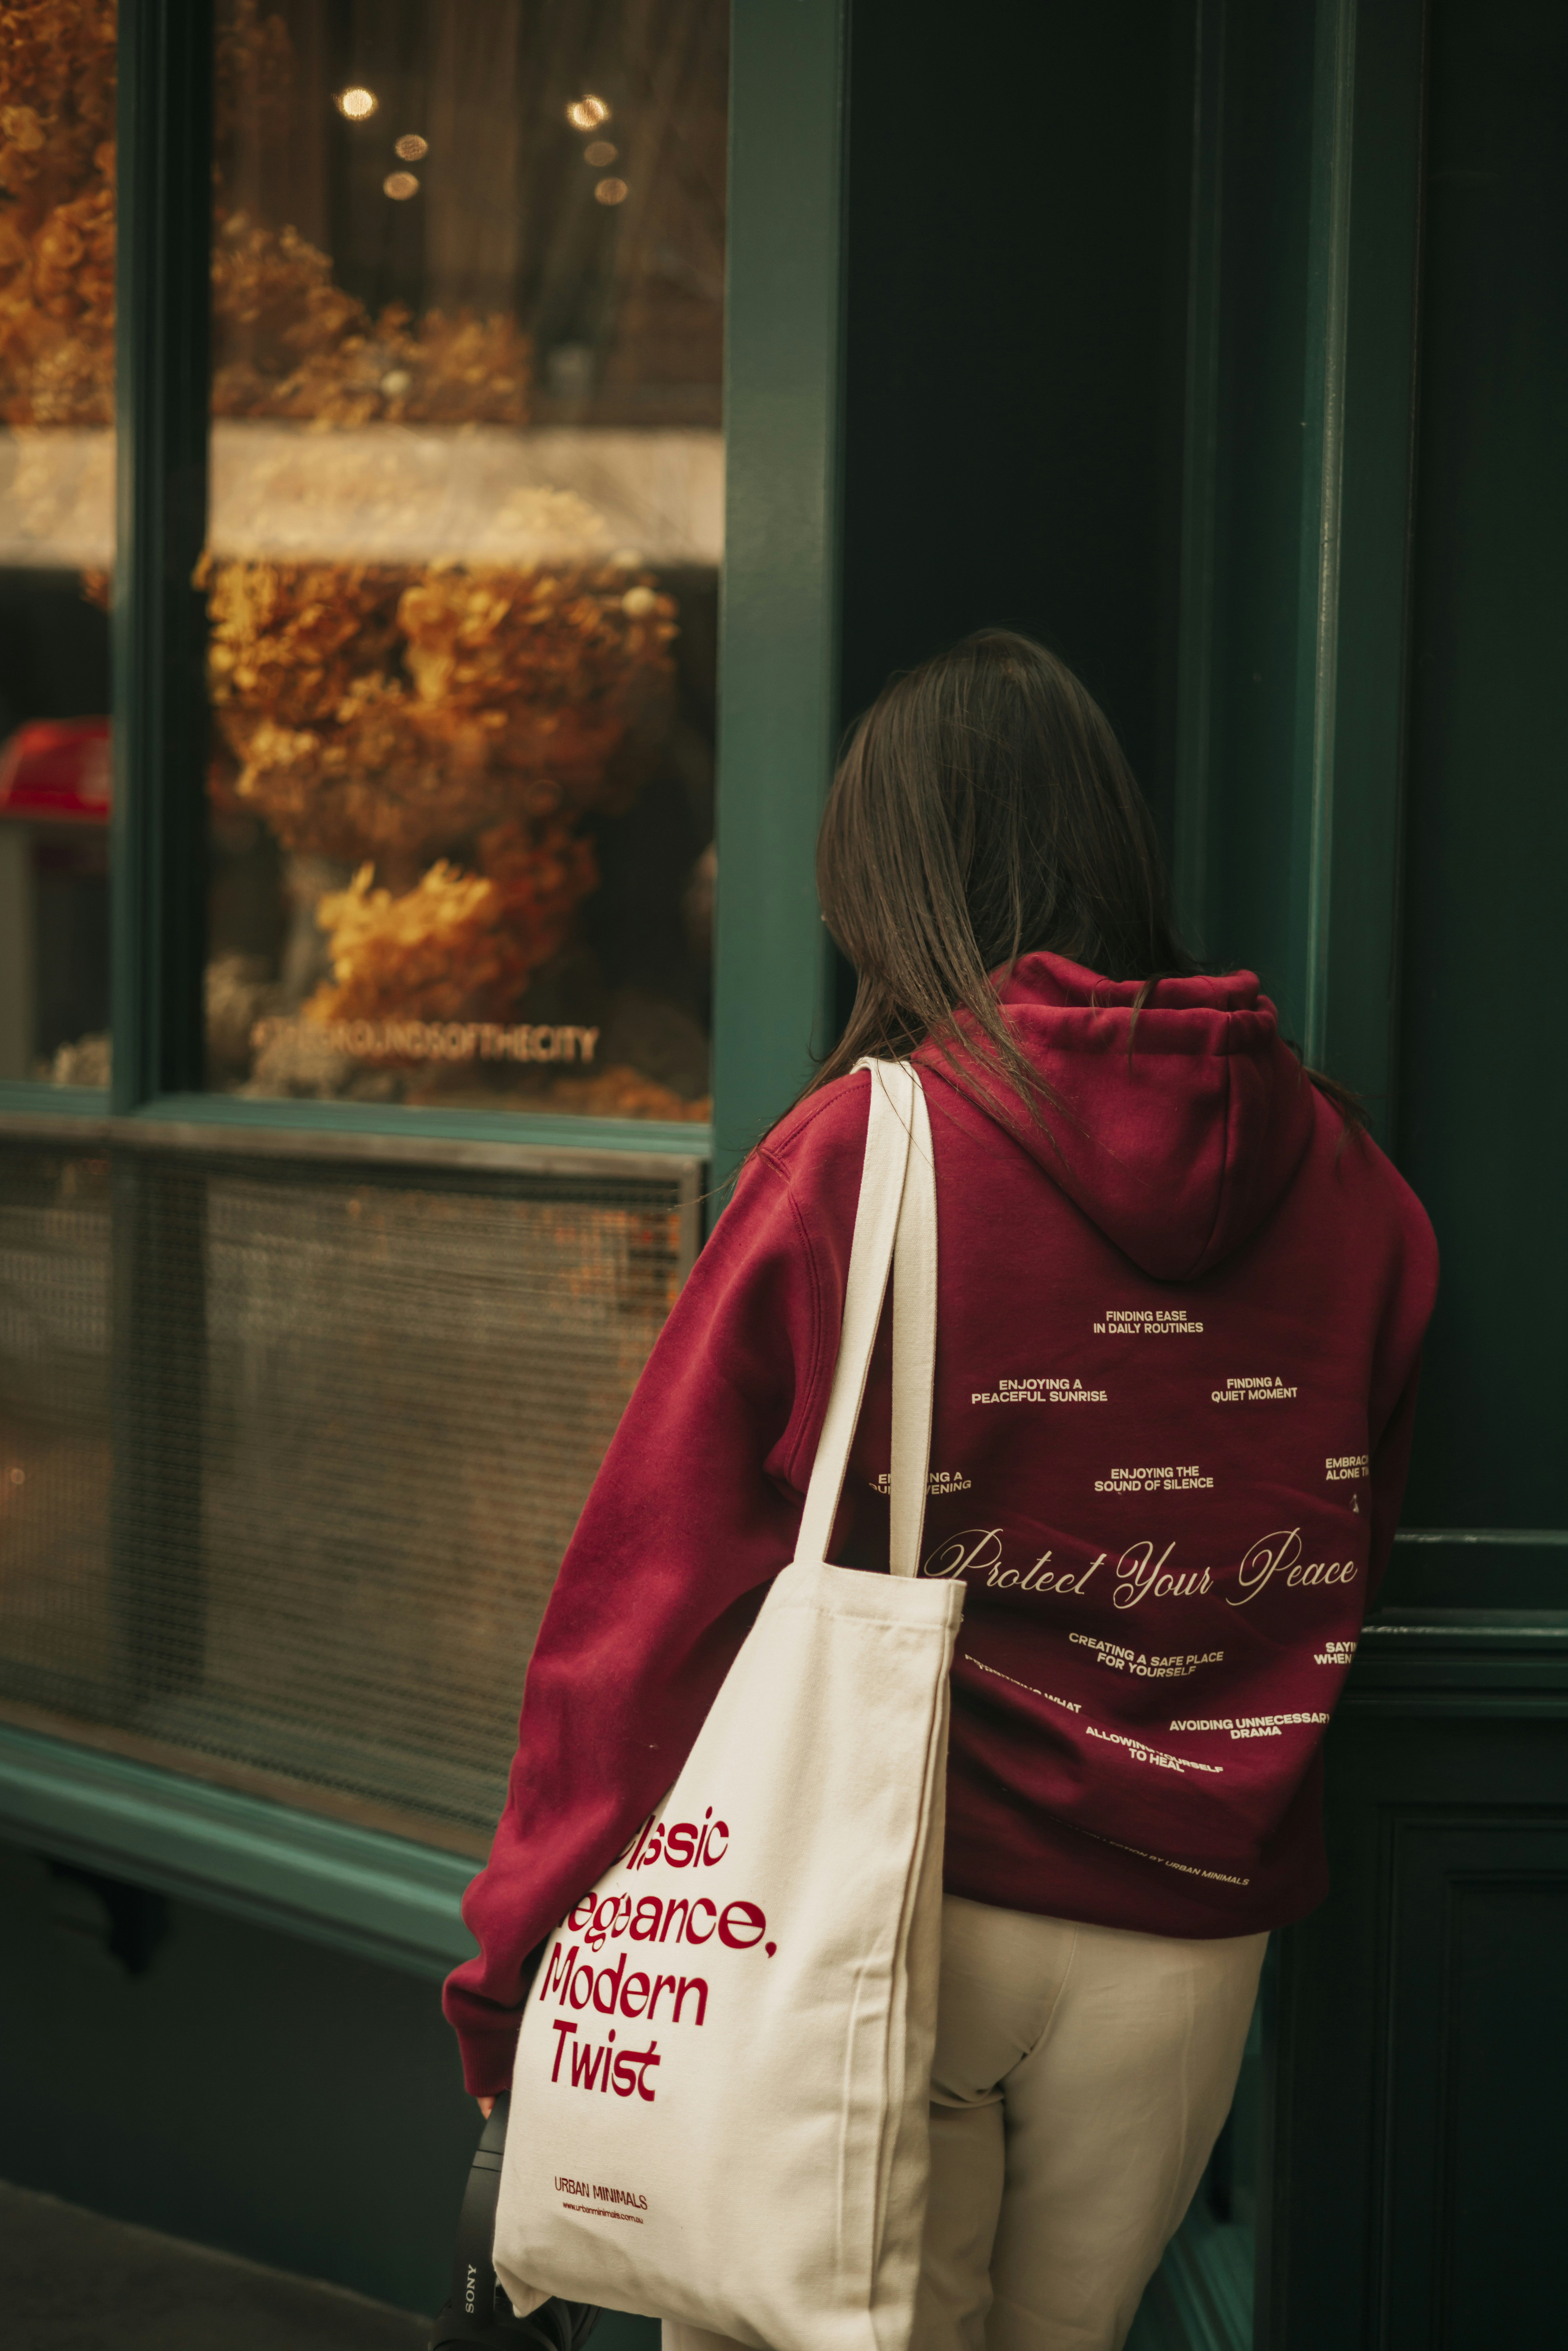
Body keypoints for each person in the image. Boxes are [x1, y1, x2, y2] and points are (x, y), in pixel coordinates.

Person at [444, 630, 1438, 2350]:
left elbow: (649, 1603)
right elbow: (1346, 1548)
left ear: (884, 883)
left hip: (882, 1901)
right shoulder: (1356, 1182)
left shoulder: (862, 1153)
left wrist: (519, 1961)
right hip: (1191, 1938)